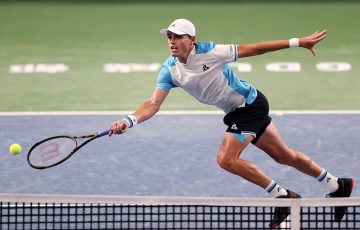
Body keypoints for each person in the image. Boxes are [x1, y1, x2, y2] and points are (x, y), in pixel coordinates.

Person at [109, 18, 354, 228]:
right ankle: (337, 184)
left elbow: (255, 49)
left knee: (226, 159)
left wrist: (297, 42)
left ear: (192, 39)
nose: (172, 41)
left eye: (178, 37)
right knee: (283, 155)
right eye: (169, 37)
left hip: (249, 105)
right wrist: (129, 120)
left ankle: (284, 197)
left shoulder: (211, 52)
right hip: (240, 109)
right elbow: (152, 104)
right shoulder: (170, 70)